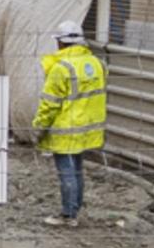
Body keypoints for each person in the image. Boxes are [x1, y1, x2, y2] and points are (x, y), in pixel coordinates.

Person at [33, 21, 107, 227]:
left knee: (66, 172)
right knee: (77, 171)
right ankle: (75, 209)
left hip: (65, 131)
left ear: (60, 43)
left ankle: (68, 215)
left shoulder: (60, 68)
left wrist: (39, 127)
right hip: (88, 130)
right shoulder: (97, 64)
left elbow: (49, 104)